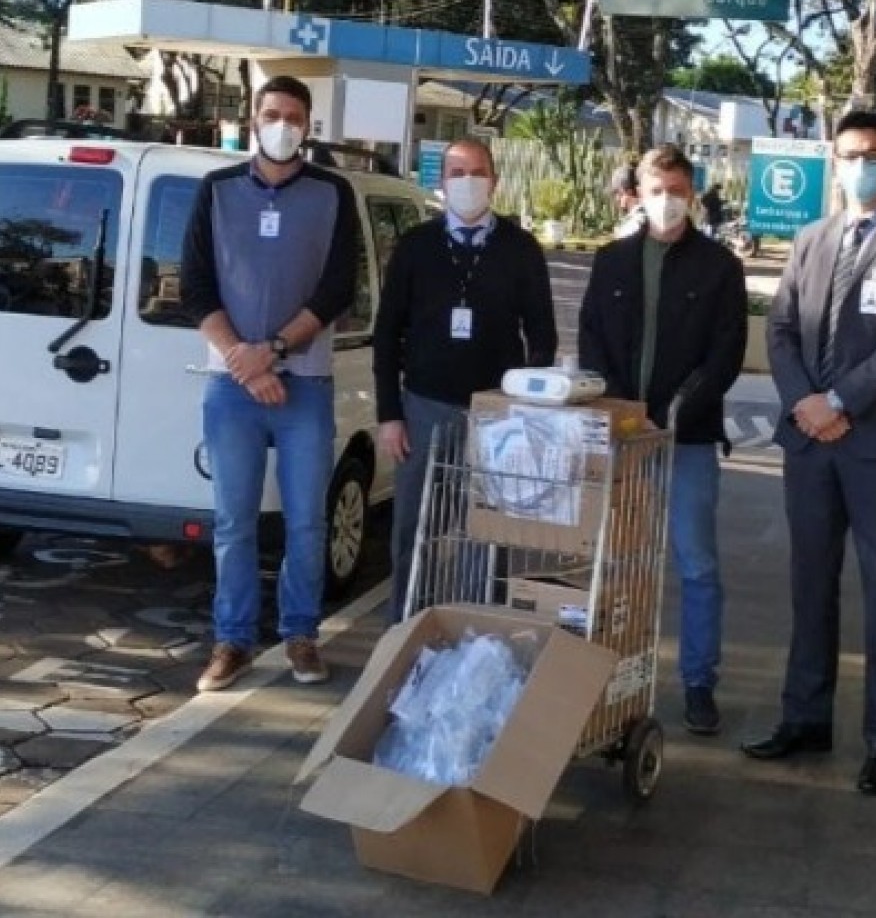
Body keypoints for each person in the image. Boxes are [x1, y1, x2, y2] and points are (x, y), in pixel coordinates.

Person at [742, 110, 876, 797]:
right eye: (847, 154)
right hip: (809, 444)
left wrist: (838, 403)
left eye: (872, 153)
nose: (858, 165)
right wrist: (806, 401)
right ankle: (804, 717)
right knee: (810, 584)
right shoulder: (810, 238)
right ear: (832, 163)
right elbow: (780, 329)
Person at [180, 75, 359, 694]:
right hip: (231, 387)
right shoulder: (217, 191)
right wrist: (240, 359)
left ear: (308, 127)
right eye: (272, 113)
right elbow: (196, 286)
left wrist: (274, 351)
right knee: (233, 522)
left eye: (294, 116)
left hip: (304, 384)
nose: (282, 124)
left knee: (308, 520)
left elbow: (340, 289)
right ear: (253, 119)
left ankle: (301, 634)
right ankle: (232, 640)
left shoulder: (334, 193)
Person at [579, 145, 747, 736]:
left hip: (690, 441)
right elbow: (592, 340)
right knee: (619, 561)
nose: (667, 201)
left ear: (692, 193)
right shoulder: (611, 261)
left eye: (677, 190)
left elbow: (725, 355)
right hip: (623, 440)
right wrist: (627, 413)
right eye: (657, 190)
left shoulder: (720, 267)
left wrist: (672, 413)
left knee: (696, 565)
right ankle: (610, 671)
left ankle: (699, 682)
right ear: (638, 194)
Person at [374, 137, 557, 622]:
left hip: (496, 416)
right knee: (416, 529)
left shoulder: (520, 249)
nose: (467, 182)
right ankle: (405, 630)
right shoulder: (415, 247)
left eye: (477, 172)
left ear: (494, 181)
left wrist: (526, 410)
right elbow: (387, 333)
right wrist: (390, 414)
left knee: (487, 536)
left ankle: (477, 633)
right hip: (423, 407)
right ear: (442, 182)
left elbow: (542, 334)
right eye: (457, 172)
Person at [609, 164, 644, 237]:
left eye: (617, 192)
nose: (616, 198)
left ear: (628, 192)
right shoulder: (640, 218)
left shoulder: (634, 224)